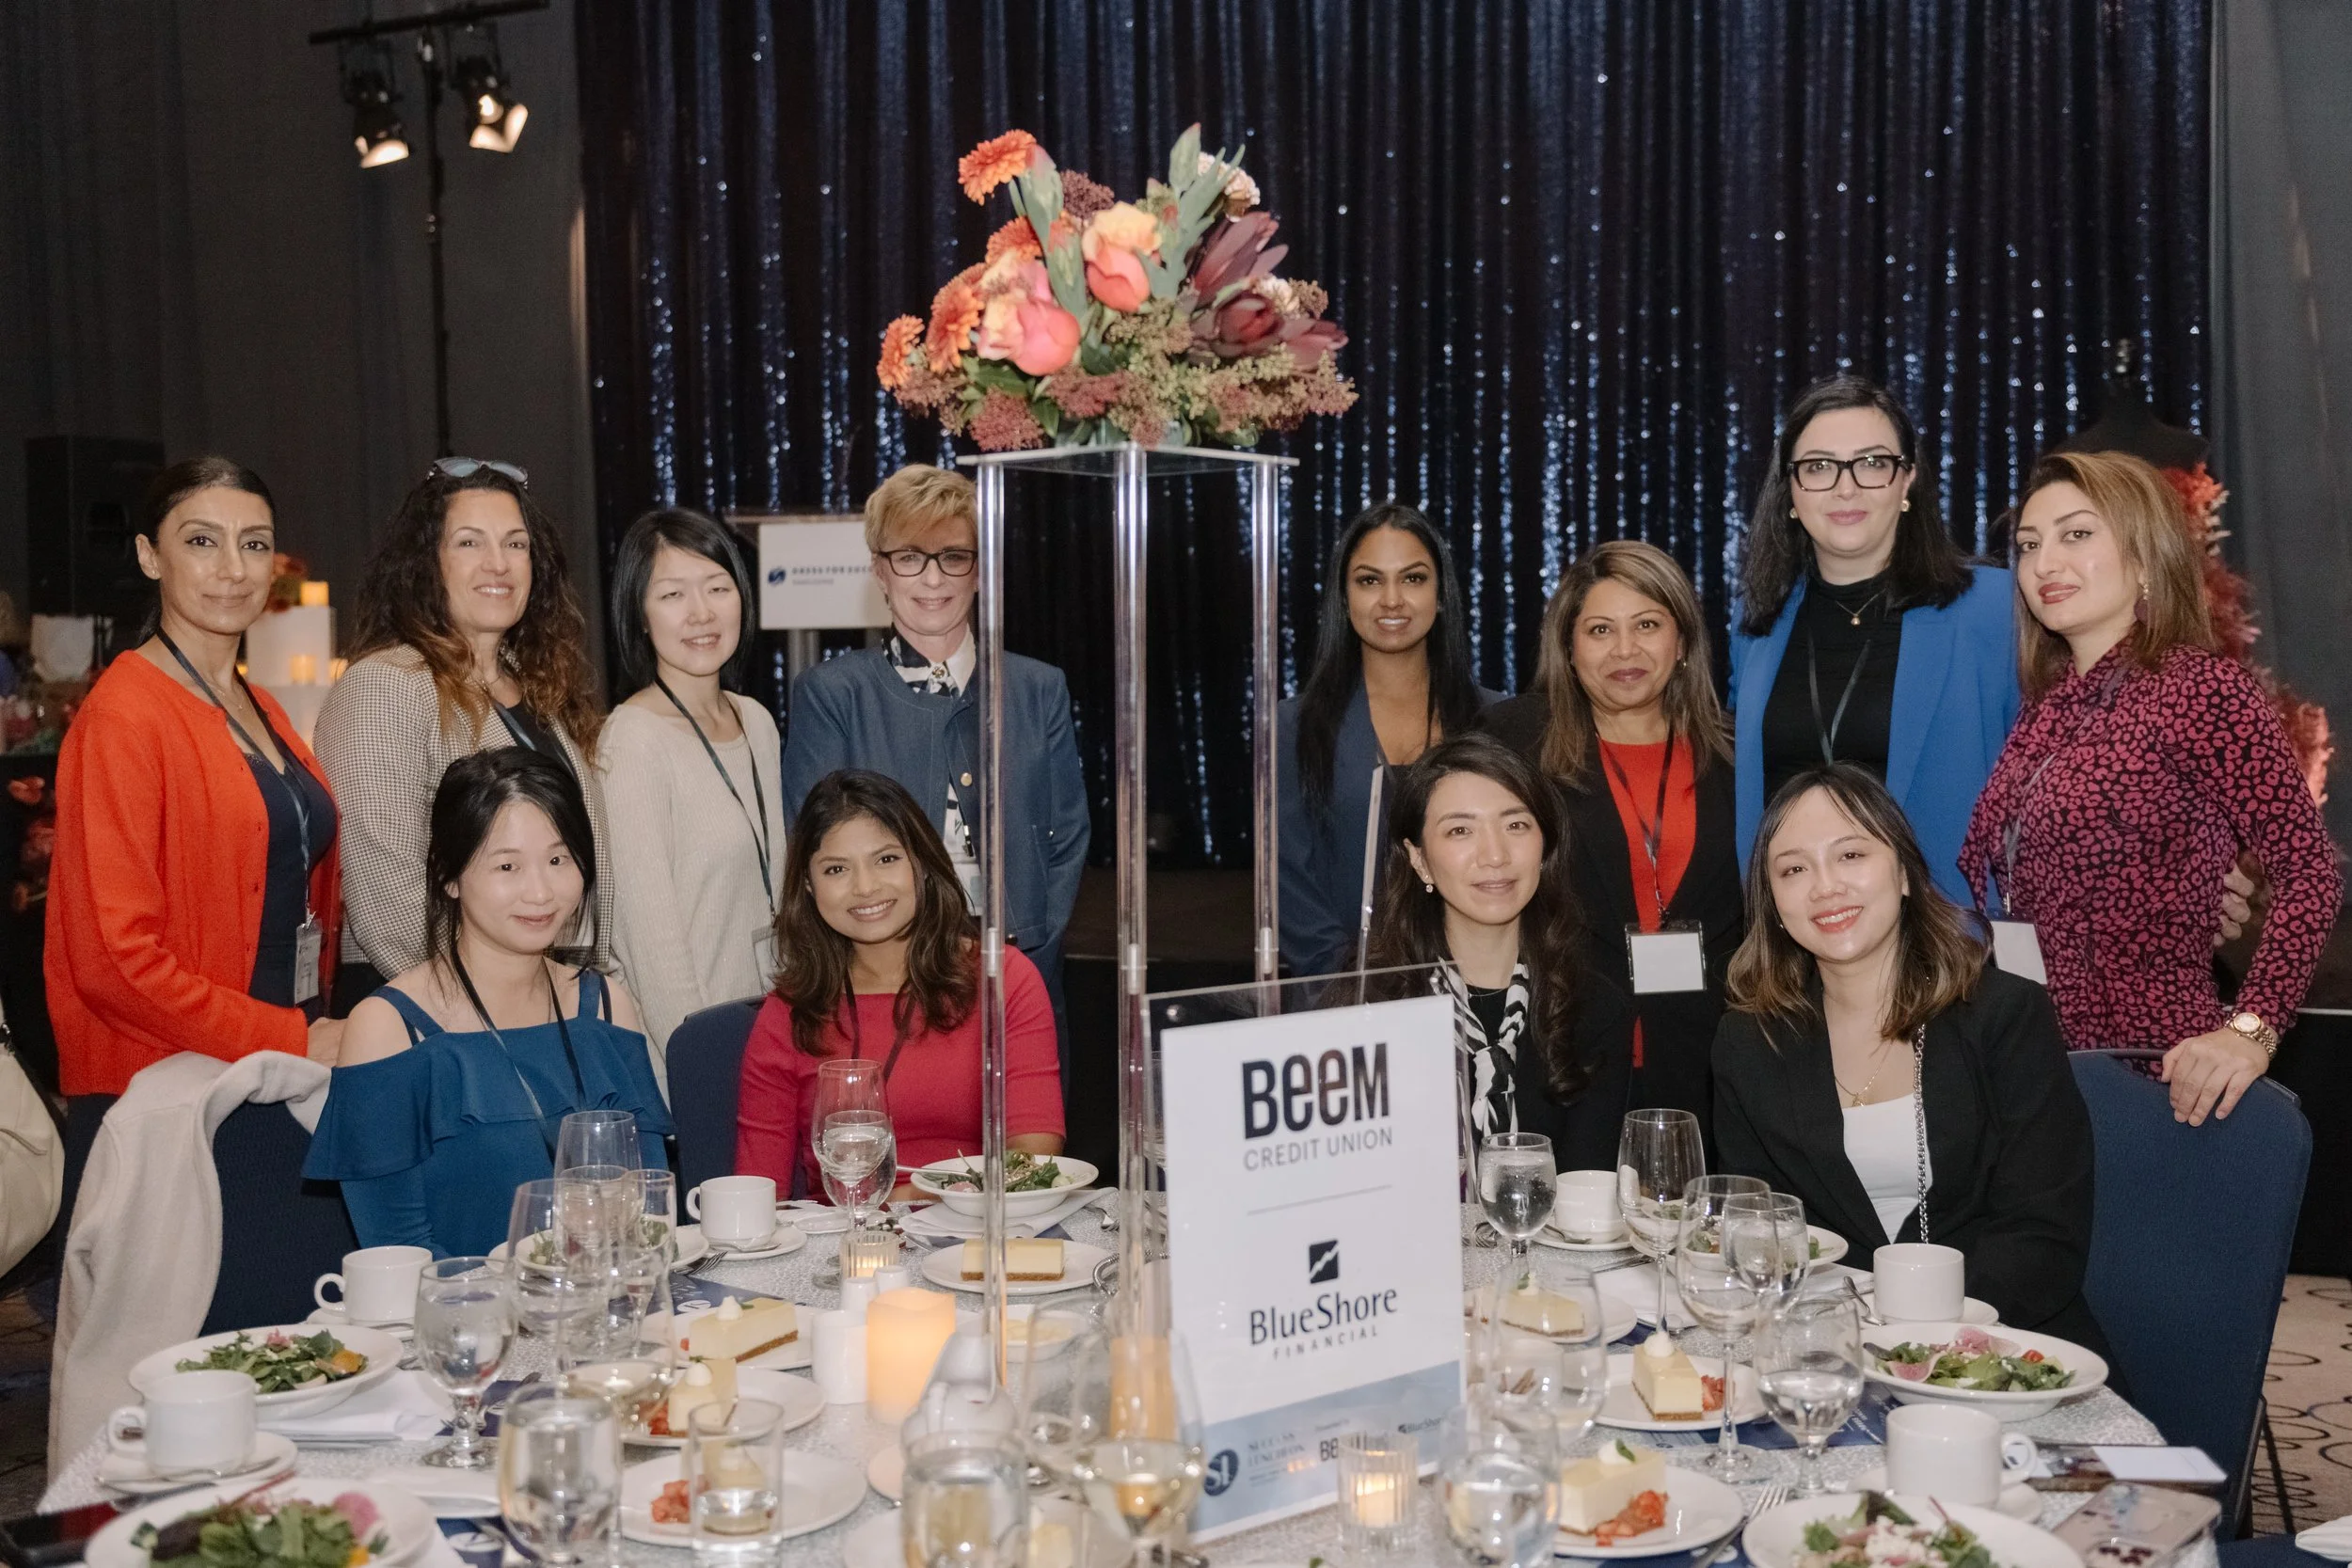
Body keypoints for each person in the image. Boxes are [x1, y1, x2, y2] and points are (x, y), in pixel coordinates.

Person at [45, 456, 355, 1322]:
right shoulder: (124, 714)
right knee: (200, 1391)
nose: (232, 568)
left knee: (304, 1361)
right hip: (173, 1099)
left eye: (253, 544)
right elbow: (114, 959)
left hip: (269, 1086)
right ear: (151, 557)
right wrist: (291, 1034)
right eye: (201, 542)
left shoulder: (257, 703)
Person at [1961, 451, 2341, 1124]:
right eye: (2029, 544)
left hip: (2155, 1078)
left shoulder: (2199, 690)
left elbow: (2310, 872)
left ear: (2143, 555)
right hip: (2034, 1076)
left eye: (2077, 534)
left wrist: (2251, 1031)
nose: (2045, 561)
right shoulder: (2045, 709)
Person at [1714, 764, 2106, 1347]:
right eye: (1794, 869)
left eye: (1851, 856)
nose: (1826, 887)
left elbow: (2043, 1239)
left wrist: (1910, 1333)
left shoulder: (2003, 1016)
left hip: (2002, 1347)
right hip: (1825, 1349)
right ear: (1771, 902)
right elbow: (1760, 1234)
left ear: (1902, 873)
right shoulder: (1750, 1043)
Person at [780, 465, 1088, 1076]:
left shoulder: (1036, 687)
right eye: (909, 557)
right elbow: (814, 847)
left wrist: (1026, 942)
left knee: (1031, 1159)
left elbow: (1067, 837)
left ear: (981, 568)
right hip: (879, 986)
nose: (931, 578)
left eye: (952, 556)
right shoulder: (833, 693)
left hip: (1018, 975)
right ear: (879, 570)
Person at [306, 749, 671, 1258]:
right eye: (507, 866)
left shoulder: (606, 1004)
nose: (540, 892)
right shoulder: (389, 1029)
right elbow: (396, 1257)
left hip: (603, 1311)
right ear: (450, 877)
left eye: (558, 860)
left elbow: (648, 1214)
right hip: (464, 1325)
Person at [317, 458, 609, 1013]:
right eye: (470, 543)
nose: (498, 564)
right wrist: (489, 1012)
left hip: (541, 1001)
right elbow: (387, 895)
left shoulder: (541, 689)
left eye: (516, 544)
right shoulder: (387, 686)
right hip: (434, 1017)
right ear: (427, 565)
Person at [1481, 541, 1740, 1135]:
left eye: (1647, 624)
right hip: (1561, 1050)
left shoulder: (1738, 753)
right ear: (1569, 649)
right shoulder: (1515, 742)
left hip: (1710, 1054)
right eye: (1600, 629)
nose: (1625, 650)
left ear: (1682, 641)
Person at [1730, 375, 2017, 902]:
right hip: (1793, 942)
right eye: (1818, 467)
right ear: (1790, 488)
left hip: (1946, 937)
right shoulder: (1756, 625)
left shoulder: (1995, 608)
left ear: (1906, 481)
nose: (1846, 487)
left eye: (1872, 463)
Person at [734, 769, 1063, 1199]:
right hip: (844, 1249)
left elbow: (1034, 1156)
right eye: (837, 869)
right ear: (810, 887)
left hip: (978, 1240)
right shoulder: (790, 1011)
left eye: (886, 859)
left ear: (921, 864)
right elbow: (758, 1194)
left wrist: (912, 1198)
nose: (866, 887)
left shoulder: (1002, 980)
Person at [1364, 734, 1633, 1171]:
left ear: (1545, 846)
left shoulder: (1594, 1007)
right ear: (1419, 859)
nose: (1494, 855)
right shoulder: (1373, 1006)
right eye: (1460, 830)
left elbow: (1589, 1186)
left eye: (1515, 825)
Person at [597, 508, 786, 1081]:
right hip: (692, 1056)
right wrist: (706, 1063)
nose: (701, 613)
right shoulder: (631, 740)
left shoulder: (756, 721)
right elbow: (652, 948)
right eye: (674, 594)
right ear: (640, 614)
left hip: (769, 1038)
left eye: (717, 587)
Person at [1280, 503, 1499, 977]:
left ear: (1441, 594)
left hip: (1480, 996)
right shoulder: (1292, 727)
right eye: (1370, 580)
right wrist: (1349, 987)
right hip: (1338, 1004)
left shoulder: (1499, 721)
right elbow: (1287, 884)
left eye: (1414, 578)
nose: (1392, 599)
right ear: (1344, 596)